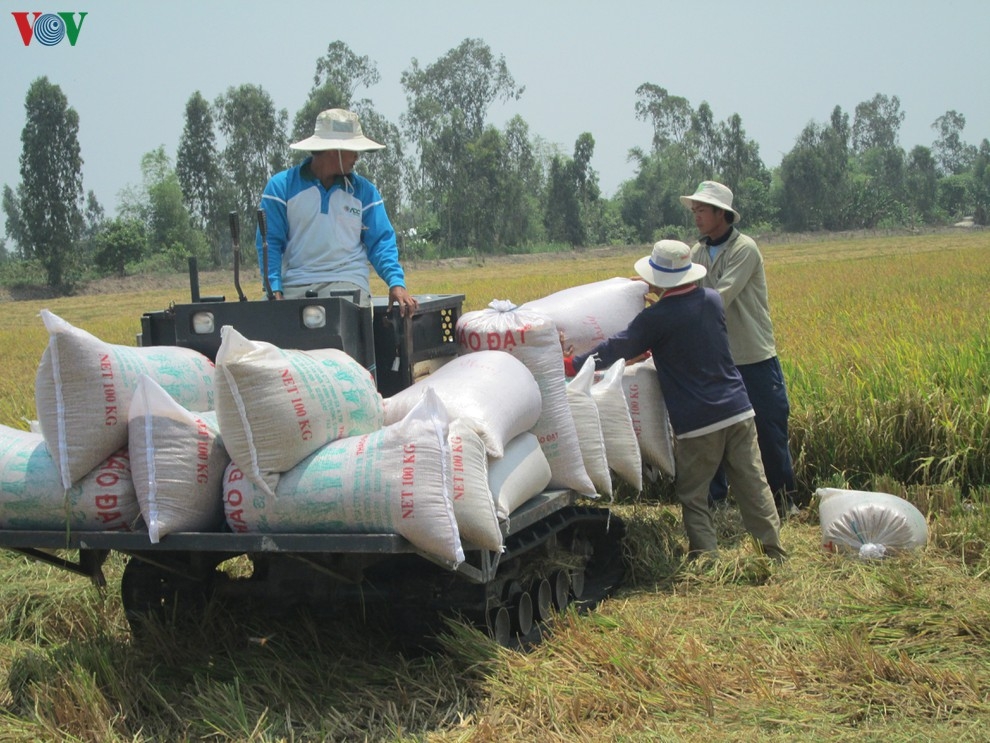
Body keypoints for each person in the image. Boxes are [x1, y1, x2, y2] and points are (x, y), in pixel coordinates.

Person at [564, 240, 785, 562]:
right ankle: (774, 552)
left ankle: (707, 560)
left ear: (660, 279)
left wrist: (573, 364)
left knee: (694, 495)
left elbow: (618, 346)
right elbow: (687, 335)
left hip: (699, 422)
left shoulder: (656, 318)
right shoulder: (711, 300)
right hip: (739, 410)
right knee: (753, 486)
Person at [680, 181, 797, 513]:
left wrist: (671, 309)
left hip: (754, 357)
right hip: (717, 359)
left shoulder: (745, 248)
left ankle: (784, 501)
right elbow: (683, 288)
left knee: (769, 429)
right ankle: (717, 502)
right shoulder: (698, 252)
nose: (697, 217)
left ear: (722, 213)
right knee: (713, 430)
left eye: (702, 210)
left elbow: (720, 297)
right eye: (695, 210)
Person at [256, 108, 418, 317]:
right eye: (353, 150)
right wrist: (274, 290)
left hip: (347, 283)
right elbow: (270, 242)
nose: (357, 157)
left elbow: (380, 242)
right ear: (334, 150)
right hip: (293, 285)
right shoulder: (281, 187)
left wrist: (396, 282)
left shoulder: (364, 192)